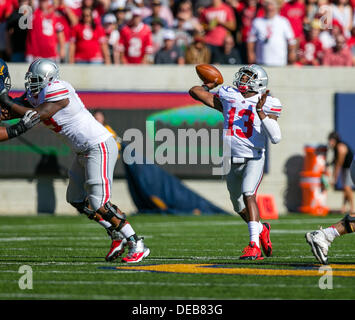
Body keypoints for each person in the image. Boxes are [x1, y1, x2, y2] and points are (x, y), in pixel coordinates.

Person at [0, 58, 150, 263]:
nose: (31, 83)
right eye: (30, 79)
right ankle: (114, 233)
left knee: (99, 203)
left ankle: (136, 241)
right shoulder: (35, 94)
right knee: (77, 200)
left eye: (35, 79)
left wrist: (6, 101)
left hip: (98, 145)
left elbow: (38, 115)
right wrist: (3, 100)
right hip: (82, 150)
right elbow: (12, 109)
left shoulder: (59, 89)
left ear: (49, 79)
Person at [189, 64, 282, 260]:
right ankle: (261, 229)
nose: (242, 79)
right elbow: (195, 92)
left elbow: (275, 137)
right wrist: (208, 84)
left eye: (247, 77)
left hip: (253, 157)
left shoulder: (267, 102)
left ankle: (253, 246)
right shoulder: (229, 95)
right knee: (238, 205)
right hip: (231, 158)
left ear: (257, 82)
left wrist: (260, 112)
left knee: (249, 194)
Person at [247, 0, 297, 66]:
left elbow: (291, 40)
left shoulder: (283, 21)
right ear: (264, 8)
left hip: (280, 60)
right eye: (268, 9)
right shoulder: (257, 21)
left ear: (276, 9)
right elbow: (251, 40)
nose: (270, 10)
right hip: (262, 60)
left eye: (272, 9)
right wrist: (251, 53)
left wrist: (292, 52)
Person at [327, 132, 354, 214]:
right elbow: (335, 161)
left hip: (351, 167)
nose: (330, 142)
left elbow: (338, 164)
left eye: (331, 140)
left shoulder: (340, 148)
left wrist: (334, 179)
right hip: (346, 168)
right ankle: (344, 207)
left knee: (347, 187)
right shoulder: (335, 148)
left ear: (335, 140)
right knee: (345, 188)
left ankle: (353, 208)